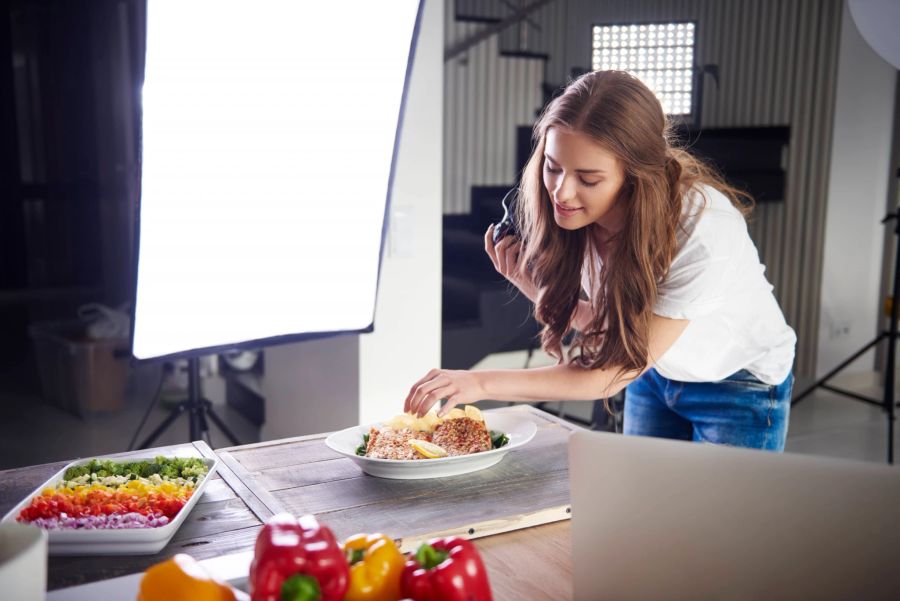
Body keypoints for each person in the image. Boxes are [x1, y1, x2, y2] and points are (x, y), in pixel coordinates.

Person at [405, 70, 796, 451]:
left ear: (635, 176)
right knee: (642, 510)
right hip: (655, 373)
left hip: (738, 385)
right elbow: (616, 330)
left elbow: (608, 373)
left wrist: (479, 383)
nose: (561, 191)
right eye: (553, 167)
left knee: (721, 519)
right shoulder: (578, 218)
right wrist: (535, 286)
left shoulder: (701, 230)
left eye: (588, 179)